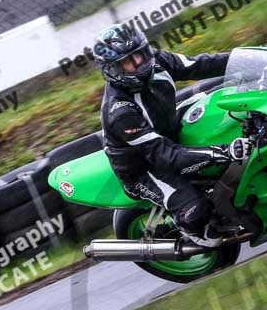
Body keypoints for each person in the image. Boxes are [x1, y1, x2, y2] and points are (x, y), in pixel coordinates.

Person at [93, 24, 251, 247]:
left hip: (167, 129)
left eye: (140, 54)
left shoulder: (157, 61)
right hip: (145, 166)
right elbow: (163, 155)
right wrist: (223, 152)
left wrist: (252, 59)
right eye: (129, 61)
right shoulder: (120, 113)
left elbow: (200, 64)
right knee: (197, 210)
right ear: (113, 69)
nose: (139, 63)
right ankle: (188, 228)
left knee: (226, 110)